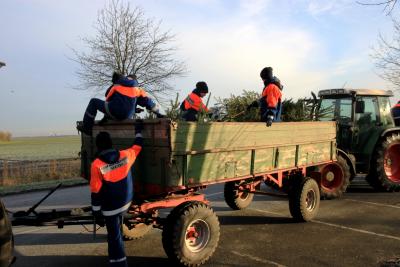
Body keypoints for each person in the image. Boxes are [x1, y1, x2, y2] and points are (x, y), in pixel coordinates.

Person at [90, 122, 143, 267]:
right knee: (116, 232)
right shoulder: (125, 155)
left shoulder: (96, 165)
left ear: (98, 146)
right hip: (126, 202)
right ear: (111, 143)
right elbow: (138, 146)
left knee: (114, 237)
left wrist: (96, 213)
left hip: (111, 209)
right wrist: (138, 130)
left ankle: (119, 263)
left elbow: (95, 191)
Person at [77, 72, 164, 136]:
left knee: (93, 102)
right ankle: (108, 118)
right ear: (135, 81)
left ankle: (87, 128)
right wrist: (159, 114)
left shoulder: (116, 85)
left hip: (113, 112)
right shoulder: (138, 89)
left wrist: (106, 115)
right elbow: (148, 103)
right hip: (127, 117)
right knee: (131, 102)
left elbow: (108, 97)